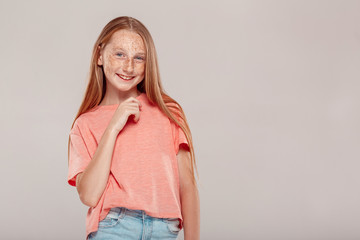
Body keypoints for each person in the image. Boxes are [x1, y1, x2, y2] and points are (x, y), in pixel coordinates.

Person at [67, 16, 200, 240]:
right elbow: (89, 195)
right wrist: (113, 128)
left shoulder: (168, 112)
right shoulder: (85, 124)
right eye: (119, 54)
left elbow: (187, 187)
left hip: (163, 230)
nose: (129, 66)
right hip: (113, 228)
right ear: (99, 55)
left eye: (139, 58)